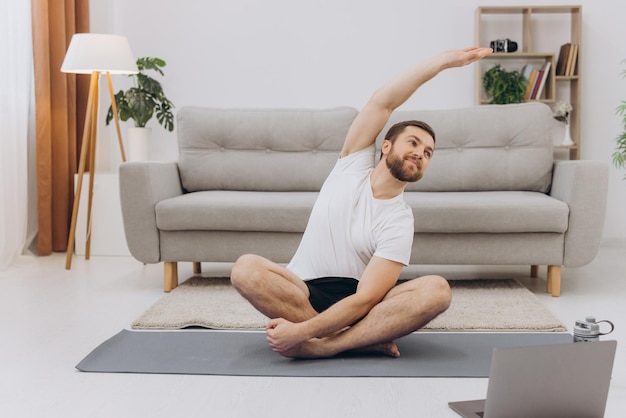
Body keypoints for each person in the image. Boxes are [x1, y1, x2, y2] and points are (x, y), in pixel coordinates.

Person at [230, 47, 493, 359]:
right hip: (302, 292)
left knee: (436, 290)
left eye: (428, 153)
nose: (420, 154)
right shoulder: (351, 165)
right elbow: (383, 101)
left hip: (359, 306)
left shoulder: (400, 219)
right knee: (245, 269)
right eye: (413, 143)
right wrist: (441, 63)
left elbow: (367, 298)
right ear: (385, 145)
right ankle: (359, 341)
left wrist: (301, 333)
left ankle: (327, 346)